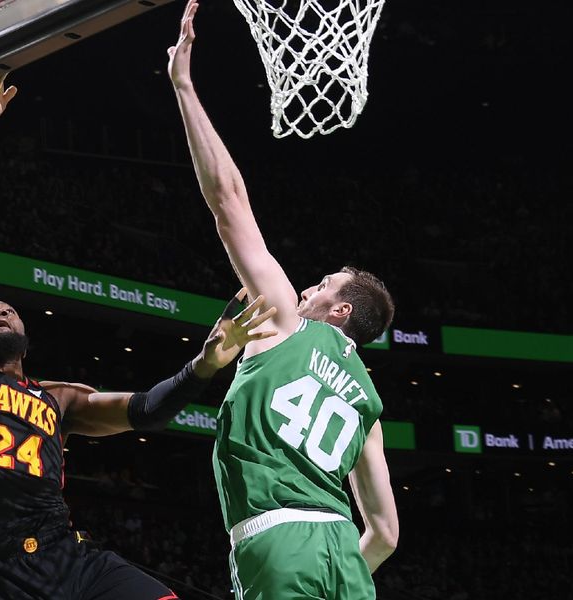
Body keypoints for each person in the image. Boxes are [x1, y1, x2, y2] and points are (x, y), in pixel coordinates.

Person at [0, 75, 277, 600]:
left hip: (75, 559)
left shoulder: (59, 400)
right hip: (4, 573)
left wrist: (204, 364)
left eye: (6, 308)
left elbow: (147, 411)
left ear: (27, 333)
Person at [167, 3, 399, 598]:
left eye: (322, 286)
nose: (305, 289)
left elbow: (229, 202)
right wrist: (339, 571)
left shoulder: (287, 323)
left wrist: (185, 87)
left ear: (340, 312)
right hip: (343, 555)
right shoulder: (369, 403)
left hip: (276, 539)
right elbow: (387, 533)